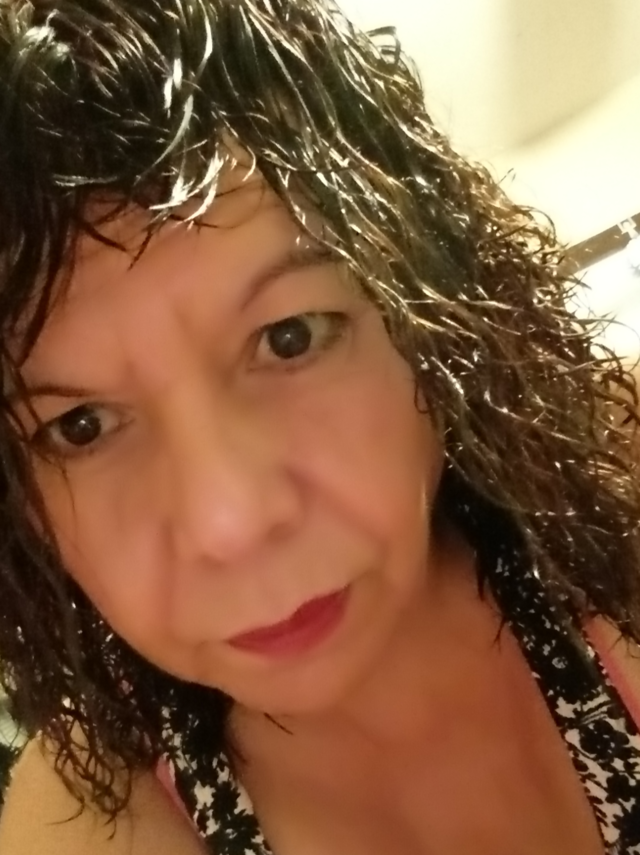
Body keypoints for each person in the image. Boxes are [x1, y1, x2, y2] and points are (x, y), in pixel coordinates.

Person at [0, 1, 640, 853]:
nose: (228, 521)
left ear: (427, 312)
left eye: (289, 337)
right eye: (80, 425)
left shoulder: (619, 467)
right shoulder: (85, 825)